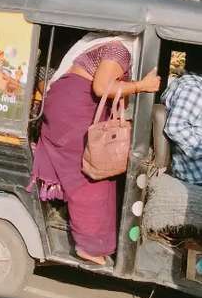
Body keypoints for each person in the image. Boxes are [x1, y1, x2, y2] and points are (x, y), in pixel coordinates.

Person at [29, 33, 160, 265]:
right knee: (93, 173)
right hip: (74, 107)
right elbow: (102, 87)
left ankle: (95, 240)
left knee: (97, 170)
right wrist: (143, 86)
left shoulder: (110, 46)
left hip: (67, 102)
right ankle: (88, 247)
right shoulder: (118, 49)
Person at [161, 46, 202, 185]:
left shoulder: (185, 82)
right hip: (196, 174)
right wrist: (199, 149)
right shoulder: (193, 89)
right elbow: (175, 127)